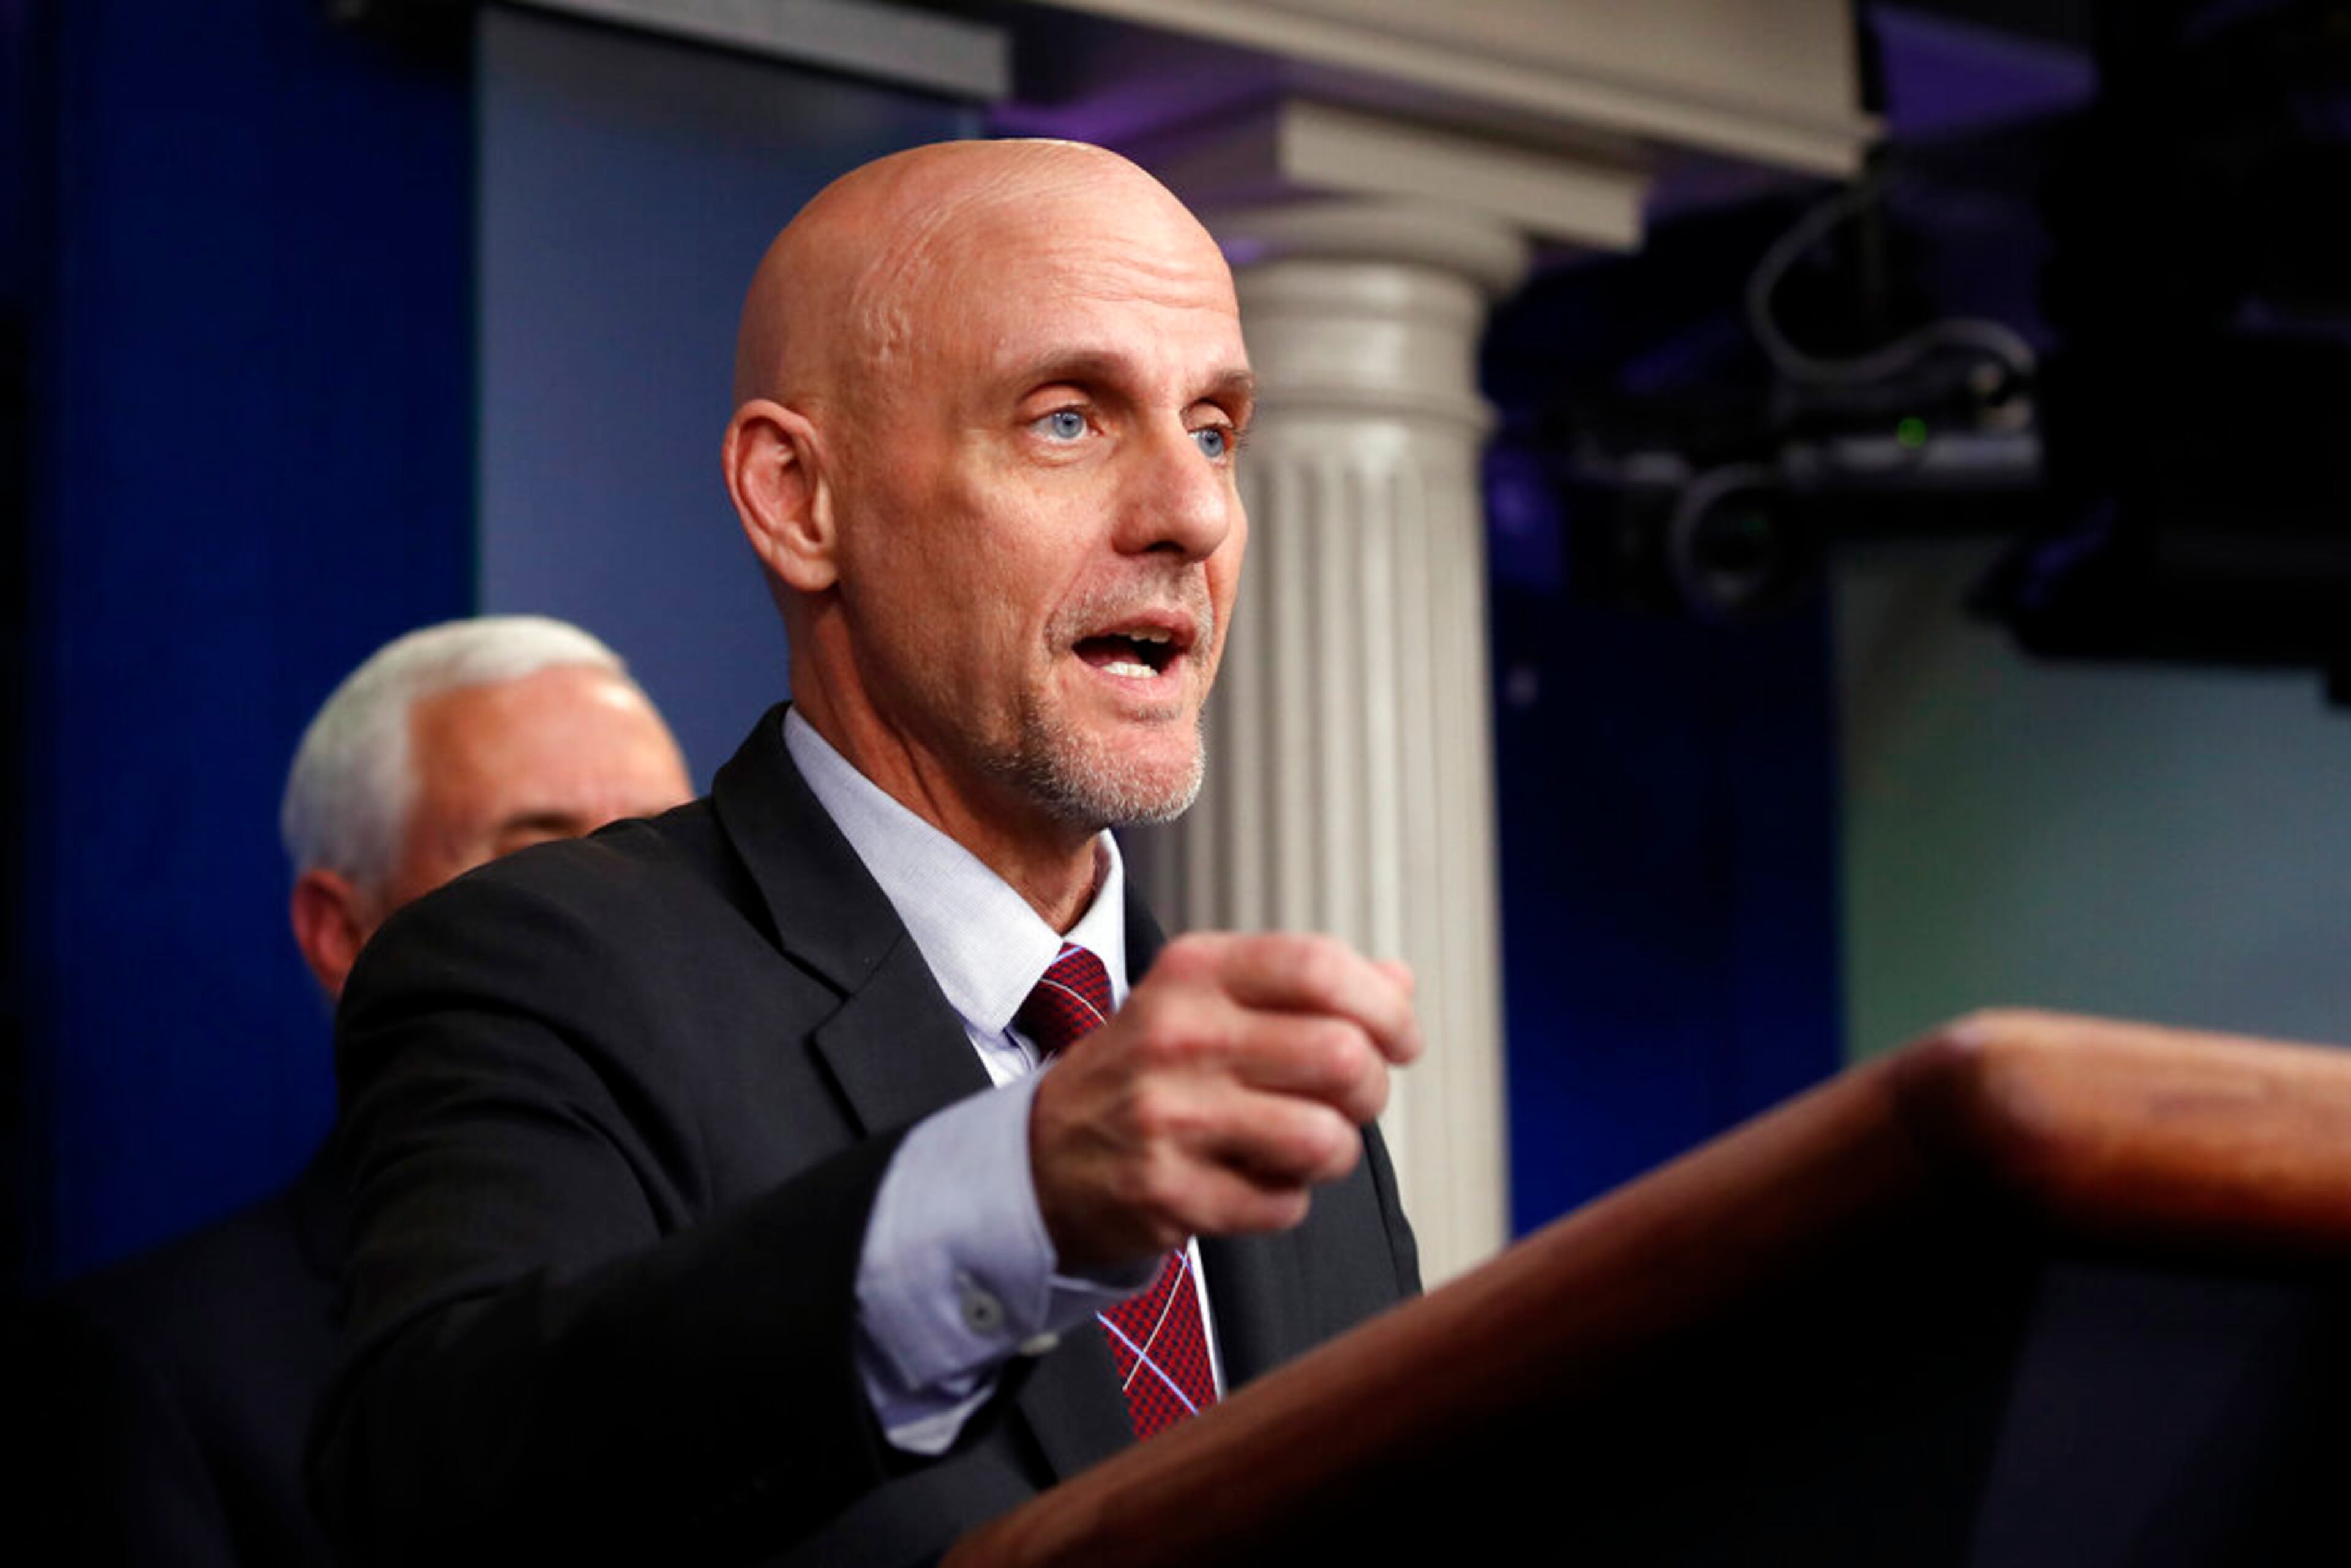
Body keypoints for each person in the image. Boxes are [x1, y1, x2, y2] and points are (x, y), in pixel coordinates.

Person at [314, 139, 1423, 1567]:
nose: (1195, 514)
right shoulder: (545, 974)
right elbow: (435, 1491)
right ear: (798, 499)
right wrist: (1017, 1197)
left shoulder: (1267, 1107)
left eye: (1213, 429)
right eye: (1069, 420)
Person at [23, 616, 694, 1568]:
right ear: (344, 932)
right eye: (540, 854)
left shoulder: (836, 1270)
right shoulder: (149, 1375)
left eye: (660, 845)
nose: (627, 909)